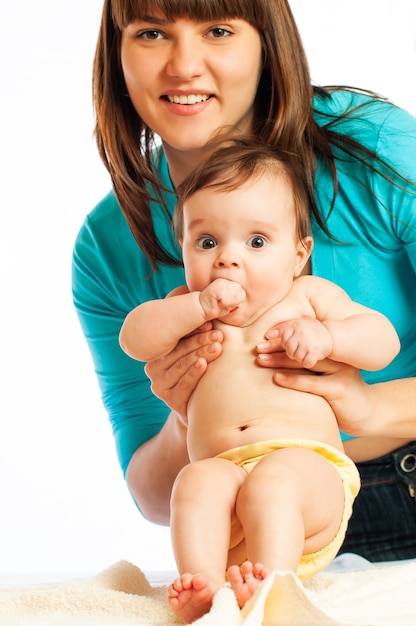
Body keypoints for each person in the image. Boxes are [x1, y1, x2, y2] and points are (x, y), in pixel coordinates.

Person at [72, 0, 416, 564]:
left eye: (218, 29)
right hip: (239, 525)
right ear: (117, 54)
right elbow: (153, 494)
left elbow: (372, 340)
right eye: (153, 32)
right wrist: (183, 414)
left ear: (267, 44)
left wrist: (370, 408)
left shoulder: (374, 147)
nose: (184, 65)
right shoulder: (108, 244)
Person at [119, 138, 399, 622]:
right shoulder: (187, 306)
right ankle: (204, 590)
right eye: (207, 242)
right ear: (183, 248)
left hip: (310, 478)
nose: (228, 259)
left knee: (275, 479)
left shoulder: (308, 297)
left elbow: (383, 341)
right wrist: (195, 306)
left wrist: (328, 336)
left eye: (256, 242)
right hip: (228, 495)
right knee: (195, 478)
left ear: (298, 254)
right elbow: (134, 337)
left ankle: (276, 591)